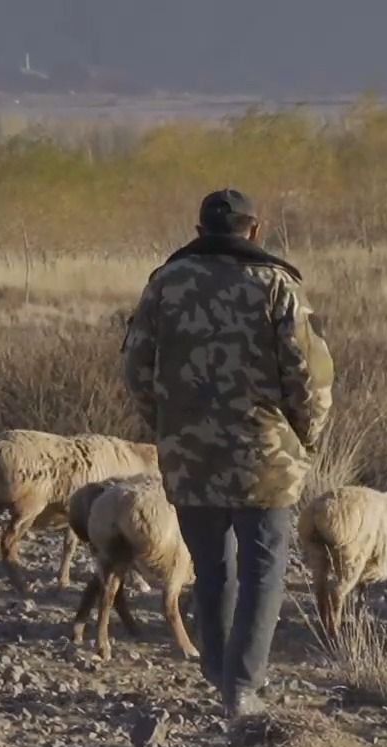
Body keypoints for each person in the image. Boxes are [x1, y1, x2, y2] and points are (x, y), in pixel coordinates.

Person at [122, 189, 334, 719]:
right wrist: (306, 437)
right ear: (254, 230)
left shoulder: (165, 284)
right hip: (267, 456)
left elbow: (136, 372)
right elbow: (309, 377)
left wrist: (168, 427)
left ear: (199, 231)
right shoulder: (277, 286)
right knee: (264, 569)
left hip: (189, 455)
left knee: (212, 569)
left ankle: (219, 672)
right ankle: (243, 688)